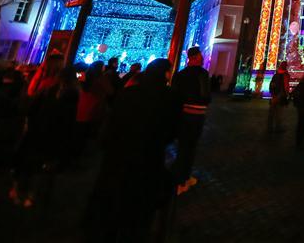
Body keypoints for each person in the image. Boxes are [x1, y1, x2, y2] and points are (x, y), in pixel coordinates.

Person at [85, 59, 179, 241]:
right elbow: (172, 131)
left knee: (113, 196)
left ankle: (104, 227)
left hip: (117, 154)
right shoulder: (170, 97)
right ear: (165, 73)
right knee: (138, 202)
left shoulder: (129, 93)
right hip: (147, 156)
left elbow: (112, 122)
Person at [9, 66, 79, 208]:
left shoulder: (54, 92)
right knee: (37, 165)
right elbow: (68, 120)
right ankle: (28, 193)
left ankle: (24, 192)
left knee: (32, 164)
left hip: (42, 132)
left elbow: (32, 108)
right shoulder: (67, 94)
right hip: (48, 133)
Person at [171, 46, 211, 195]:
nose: (203, 58)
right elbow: (206, 96)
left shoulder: (180, 74)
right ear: (194, 57)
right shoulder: (202, 74)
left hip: (183, 114)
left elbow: (175, 95)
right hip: (196, 115)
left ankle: (182, 177)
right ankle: (181, 180)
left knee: (183, 147)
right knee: (190, 148)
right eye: (201, 56)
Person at [267, 62, 290, 134]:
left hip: (274, 96)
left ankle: (269, 127)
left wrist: (273, 95)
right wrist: (286, 94)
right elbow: (286, 86)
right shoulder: (285, 75)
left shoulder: (275, 75)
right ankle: (278, 128)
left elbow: (271, 85)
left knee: (272, 113)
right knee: (279, 113)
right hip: (280, 96)